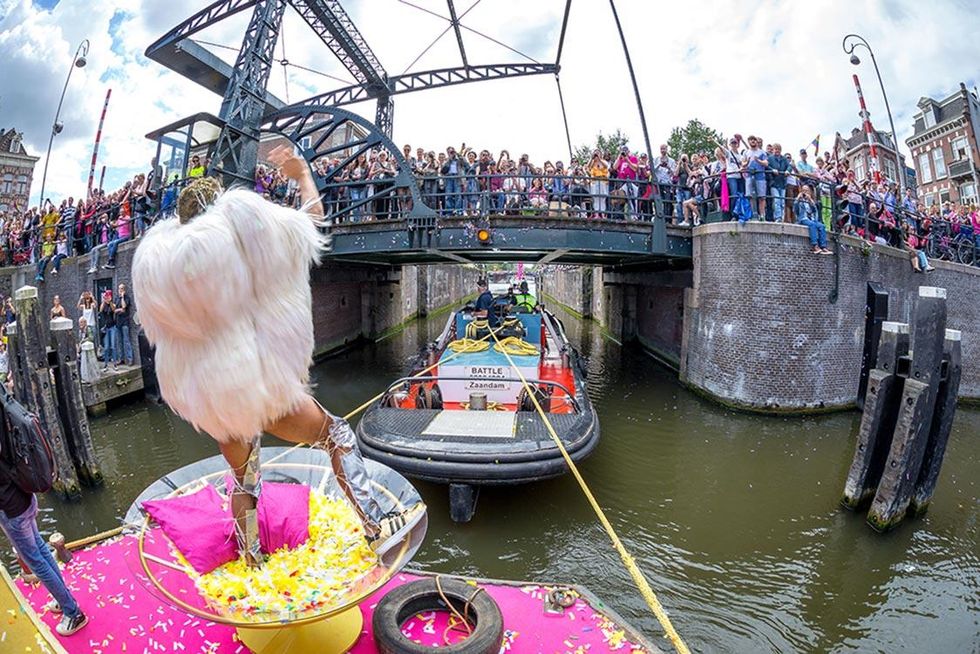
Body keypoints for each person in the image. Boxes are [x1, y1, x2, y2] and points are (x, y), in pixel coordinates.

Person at [132, 146, 424, 566]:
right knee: (336, 436)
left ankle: (252, 561)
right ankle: (377, 524)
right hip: (255, 382)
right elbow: (312, 222)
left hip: (209, 398)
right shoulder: (238, 232)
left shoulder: (157, 266)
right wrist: (301, 175)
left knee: (244, 481)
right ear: (220, 207)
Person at [0, 470, 88, 635]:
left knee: (37, 563)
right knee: (40, 548)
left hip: (10, 507)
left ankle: (73, 613)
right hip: (25, 495)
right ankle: (65, 600)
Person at [794, 185, 831, 255]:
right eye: (803, 191)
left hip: (812, 219)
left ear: (810, 192)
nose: (805, 192)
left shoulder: (811, 200)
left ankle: (823, 247)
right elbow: (795, 210)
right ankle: (815, 246)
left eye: (806, 191)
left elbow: (815, 210)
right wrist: (798, 199)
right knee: (812, 225)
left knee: (822, 226)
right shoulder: (799, 201)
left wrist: (810, 200)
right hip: (803, 218)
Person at [114, 284, 134, 366]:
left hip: (125, 323)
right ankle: (121, 359)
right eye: (119, 288)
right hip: (118, 323)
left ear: (124, 289)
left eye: (122, 288)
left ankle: (130, 359)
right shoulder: (116, 298)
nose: (120, 290)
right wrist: (120, 310)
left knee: (126, 341)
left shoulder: (126, 298)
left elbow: (124, 306)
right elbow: (115, 310)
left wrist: (122, 298)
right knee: (119, 342)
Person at [98, 290, 117, 371]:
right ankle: (106, 365)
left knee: (113, 346)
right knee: (106, 347)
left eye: (108, 296)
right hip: (106, 328)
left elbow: (113, 310)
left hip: (112, 327)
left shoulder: (113, 304)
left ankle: (115, 364)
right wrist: (104, 301)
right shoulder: (104, 305)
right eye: (106, 296)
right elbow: (100, 310)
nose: (107, 298)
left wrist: (110, 302)